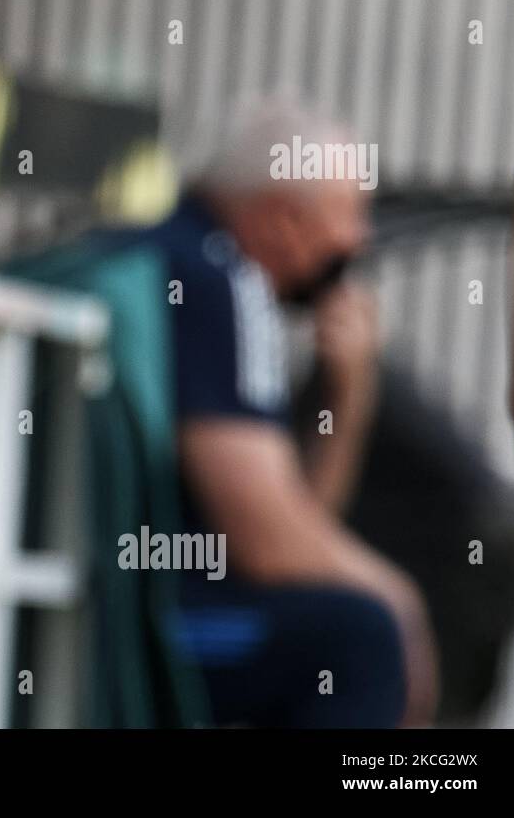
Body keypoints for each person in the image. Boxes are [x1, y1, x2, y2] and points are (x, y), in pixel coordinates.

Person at [147, 99, 439, 727]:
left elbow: (296, 532)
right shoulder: (214, 279)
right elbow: (271, 546)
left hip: (141, 593)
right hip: (141, 616)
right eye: (349, 215)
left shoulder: (184, 259)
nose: (359, 241)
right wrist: (399, 599)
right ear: (281, 219)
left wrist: (349, 393)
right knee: (363, 635)